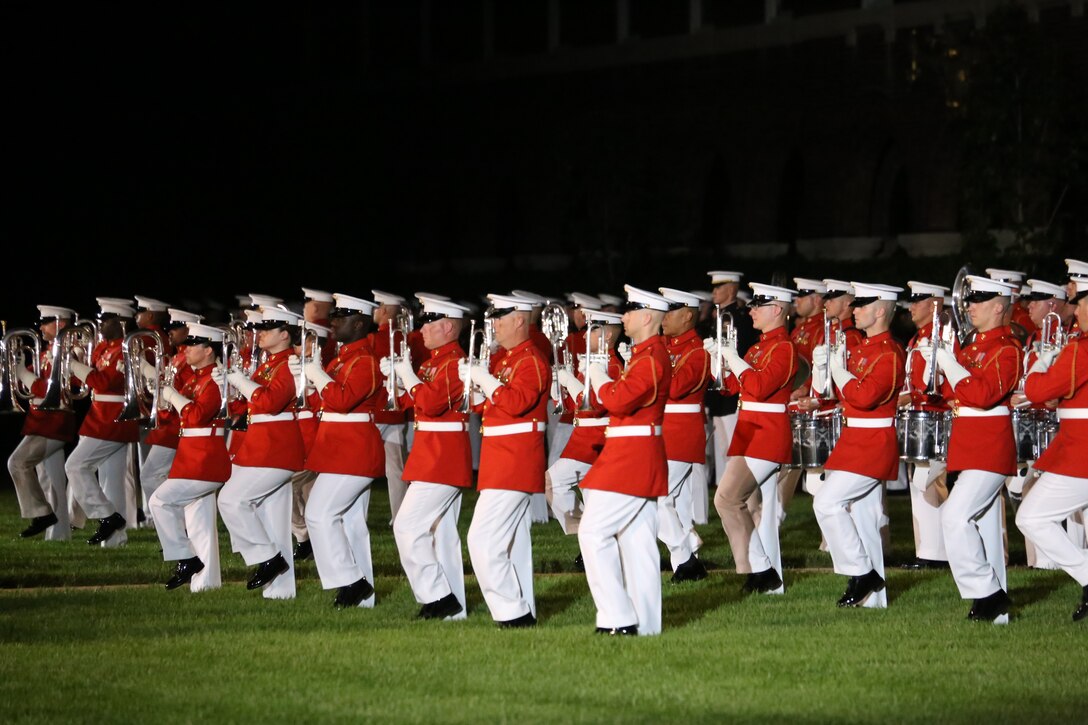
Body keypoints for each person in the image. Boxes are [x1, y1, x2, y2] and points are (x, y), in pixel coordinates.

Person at [925, 275, 1022, 623]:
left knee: (955, 515)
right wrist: (932, 368)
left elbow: (982, 396)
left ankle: (988, 594)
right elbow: (950, 396)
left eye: (979, 300)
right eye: (971, 299)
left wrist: (949, 364)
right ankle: (994, 607)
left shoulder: (1007, 348)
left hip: (989, 445)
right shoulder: (974, 346)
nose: (970, 306)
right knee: (979, 526)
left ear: (999, 306)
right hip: (968, 444)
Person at [577, 284, 672, 636]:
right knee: (637, 541)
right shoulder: (646, 354)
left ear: (646, 317)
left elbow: (619, 401)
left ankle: (617, 616)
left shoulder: (649, 357)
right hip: (633, 454)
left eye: (630, 311)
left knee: (593, 532)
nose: (624, 317)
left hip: (631, 458)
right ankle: (645, 624)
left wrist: (599, 376)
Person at [812, 283, 906, 608]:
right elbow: (834, 395)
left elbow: (864, 397)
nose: (854, 309)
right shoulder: (863, 349)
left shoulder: (890, 353)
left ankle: (861, 572)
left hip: (873, 442)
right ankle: (874, 599)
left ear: (880, 310)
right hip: (854, 439)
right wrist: (823, 367)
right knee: (864, 519)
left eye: (862, 304)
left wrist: (838, 370)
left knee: (826, 503)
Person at [460, 293, 550, 628]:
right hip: (502, 460)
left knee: (481, 540)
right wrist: (476, 385)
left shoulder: (531, 360)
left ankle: (513, 612)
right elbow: (484, 407)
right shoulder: (506, 360)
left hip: (514, 461)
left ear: (519, 320)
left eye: (501, 317)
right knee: (511, 544)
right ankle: (522, 607)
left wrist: (485, 381)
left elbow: (516, 403)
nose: (494, 324)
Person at [709, 283, 797, 595]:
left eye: (759, 304)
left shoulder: (785, 349)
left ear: (777, 310)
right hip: (749, 428)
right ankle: (764, 576)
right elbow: (732, 387)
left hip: (766, 431)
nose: (751, 310)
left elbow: (758, 386)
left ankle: (761, 570)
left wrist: (733, 358)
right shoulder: (759, 347)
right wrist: (717, 360)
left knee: (727, 499)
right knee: (749, 504)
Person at [298, 294, 385, 609]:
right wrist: (310, 381)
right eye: (333, 316)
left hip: (355, 451)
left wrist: (316, 374)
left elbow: (343, 400)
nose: (332, 322)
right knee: (349, 524)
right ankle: (362, 596)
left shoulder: (366, 361)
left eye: (341, 317)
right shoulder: (341, 360)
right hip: (339, 450)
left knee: (319, 514)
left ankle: (352, 581)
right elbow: (322, 402)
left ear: (359, 322)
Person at [391, 294, 474, 620]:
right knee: (441, 534)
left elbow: (432, 403)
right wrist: (398, 381)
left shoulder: (455, 362)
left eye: (429, 322)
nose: (422, 328)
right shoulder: (432, 362)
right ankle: (453, 608)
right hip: (432, 455)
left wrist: (408, 377)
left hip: (443, 458)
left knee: (407, 526)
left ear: (448, 326)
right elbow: (413, 403)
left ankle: (438, 597)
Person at [215, 306, 306, 599]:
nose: (260, 333)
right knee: (272, 519)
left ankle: (268, 557)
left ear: (285, 334)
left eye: (267, 329)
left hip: (275, 448)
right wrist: (227, 387)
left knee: (231, 500)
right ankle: (280, 592)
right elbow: (247, 408)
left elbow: (269, 402)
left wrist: (240, 380)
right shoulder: (269, 363)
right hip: (262, 445)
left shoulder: (291, 363)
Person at [1014, 278, 1088, 622]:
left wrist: (1041, 366)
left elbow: (1042, 388)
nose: (1074, 309)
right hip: (1076, 443)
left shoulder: (1082, 348)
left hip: (1081, 449)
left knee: (1031, 517)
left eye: (1079, 302)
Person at [148, 323, 232, 591]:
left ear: (209, 350)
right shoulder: (195, 378)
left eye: (193, 345)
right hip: (192, 457)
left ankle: (185, 558)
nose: (186, 349)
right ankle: (206, 584)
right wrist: (161, 397)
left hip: (205, 460)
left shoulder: (216, 379)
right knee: (200, 524)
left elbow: (196, 416)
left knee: (160, 501)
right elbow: (173, 417)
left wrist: (172, 394)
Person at [64, 298, 141, 547]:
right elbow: (87, 381)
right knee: (112, 481)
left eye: (106, 320)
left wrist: (73, 365)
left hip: (112, 419)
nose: (101, 324)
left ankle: (106, 516)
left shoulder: (126, 349)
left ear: (119, 322)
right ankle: (116, 539)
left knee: (75, 465)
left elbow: (105, 382)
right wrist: (76, 360)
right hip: (102, 415)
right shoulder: (105, 347)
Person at [546, 309, 624, 541]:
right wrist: (559, 387)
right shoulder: (592, 363)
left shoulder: (611, 366)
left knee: (552, 482)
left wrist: (570, 381)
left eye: (592, 330)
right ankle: (595, 539)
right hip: (584, 434)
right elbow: (573, 405)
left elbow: (594, 405)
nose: (584, 336)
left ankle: (587, 533)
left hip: (596, 436)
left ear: (606, 335)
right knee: (593, 497)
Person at [7, 305, 78, 540]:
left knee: (17, 463)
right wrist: (12, 367)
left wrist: (22, 374)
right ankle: (58, 534)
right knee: (50, 479)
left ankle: (42, 514)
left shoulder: (70, 352)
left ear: (60, 324)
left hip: (54, 421)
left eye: (46, 321)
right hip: (41, 420)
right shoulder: (47, 351)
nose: (40, 326)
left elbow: (52, 391)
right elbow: (31, 379)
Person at [898, 281, 953, 570]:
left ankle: (939, 552)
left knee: (929, 482)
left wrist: (908, 396)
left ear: (934, 304)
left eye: (918, 301)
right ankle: (928, 552)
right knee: (919, 484)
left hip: (936, 417)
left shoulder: (943, 335)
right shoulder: (919, 337)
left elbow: (941, 383)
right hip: (919, 417)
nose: (912, 306)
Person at [657, 288, 712, 582]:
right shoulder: (665, 345)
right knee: (673, 502)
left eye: (670, 312)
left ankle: (685, 556)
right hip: (665, 430)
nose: (663, 318)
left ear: (688, 315)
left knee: (658, 498)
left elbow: (676, 388)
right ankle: (686, 559)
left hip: (682, 431)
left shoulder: (697, 350)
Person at [137, 308, 203, 528]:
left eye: (176, 328)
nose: (170, 332)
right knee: (164, 477)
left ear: (189, 329)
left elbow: (185, 392)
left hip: (176, 424)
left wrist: (151, 374)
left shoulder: (189, 358)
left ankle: (170, 525)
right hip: (169, 422)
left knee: (150, 475)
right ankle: (175, 524)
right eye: (170, 327)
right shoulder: (178, 356)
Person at [370, 290, 427, 523]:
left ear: (383, 311)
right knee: (395, 467)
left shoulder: (372, 340)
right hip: (395, 412)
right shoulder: (408, 340)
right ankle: (400, 514)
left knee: (361, 467)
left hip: (376, 408)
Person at [703, 271, 756, 513]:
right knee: (724, 448)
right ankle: (727, 497)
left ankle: (738, 497)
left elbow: (742, 352)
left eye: (720, 287)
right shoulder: (718, 317)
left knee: (735, 449)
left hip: (734, 391)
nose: (714, 291)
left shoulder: (740, 318)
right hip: (720, 392)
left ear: (732, 290)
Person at [289, 320, 331, 561]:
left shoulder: (325, 369)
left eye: (302, 342)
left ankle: (305, 537)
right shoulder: (294, 366)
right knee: (306, 496)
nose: (296, 348)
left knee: (287, 486)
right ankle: (307, 540)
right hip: (297, 441)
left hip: (317, 442)